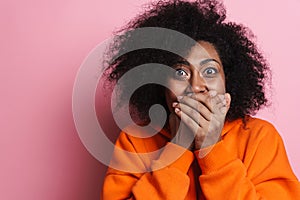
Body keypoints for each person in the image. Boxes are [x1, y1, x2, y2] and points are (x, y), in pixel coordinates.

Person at [101, 0, 300, 199]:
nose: (196, 86)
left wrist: (211, 147)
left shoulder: (259, 137)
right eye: (180, 73)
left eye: (210, 71)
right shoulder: (135, 139)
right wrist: (178, 147)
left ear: (227, 82)